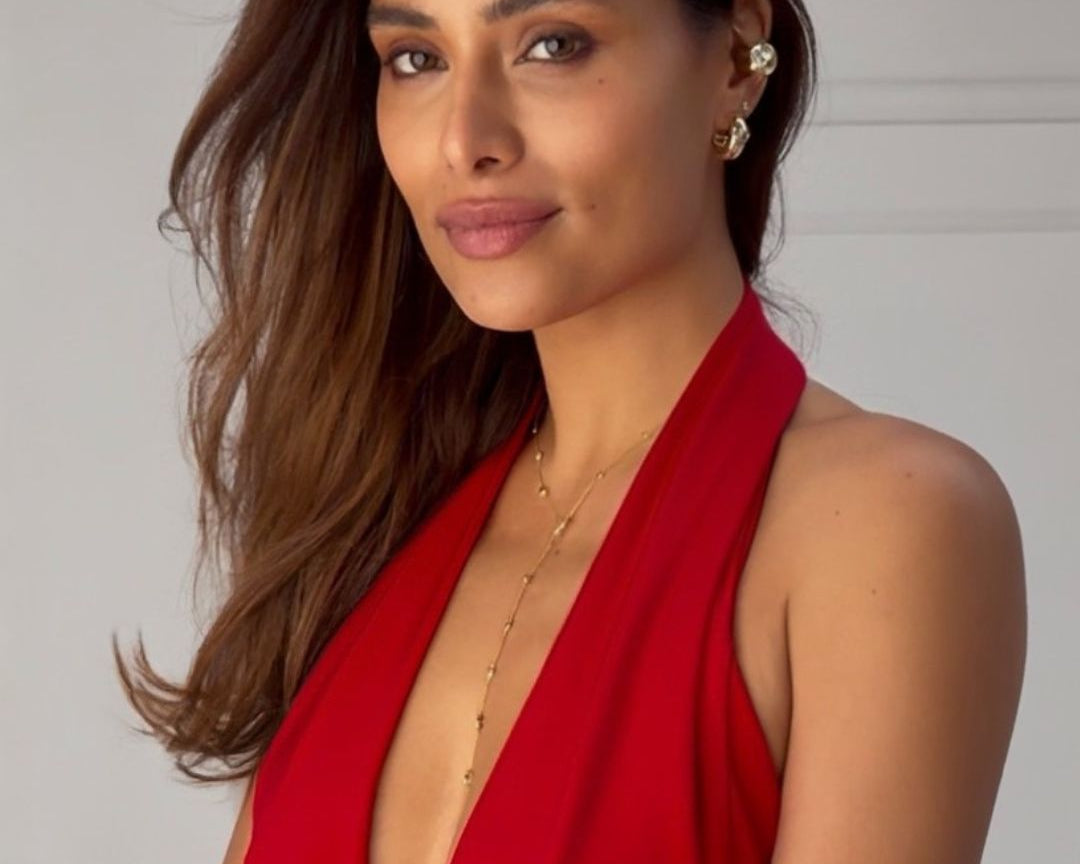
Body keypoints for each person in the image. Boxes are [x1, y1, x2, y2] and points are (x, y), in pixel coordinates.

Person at [112, 0, 1027, 862]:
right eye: (416, 58)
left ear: (740, 58)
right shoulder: (371, 523)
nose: (465, 140)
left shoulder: (883, 525)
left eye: (552, 43)